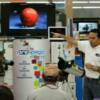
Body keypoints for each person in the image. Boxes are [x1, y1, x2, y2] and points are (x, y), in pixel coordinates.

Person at [53, 28, 100, 100]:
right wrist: (61, 35)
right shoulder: (87, 44)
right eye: (89, 38)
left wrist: (94, 67)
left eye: (93, 38)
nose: (90, 40)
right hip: (87, 80)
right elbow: (72, 40)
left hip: (98, 82)